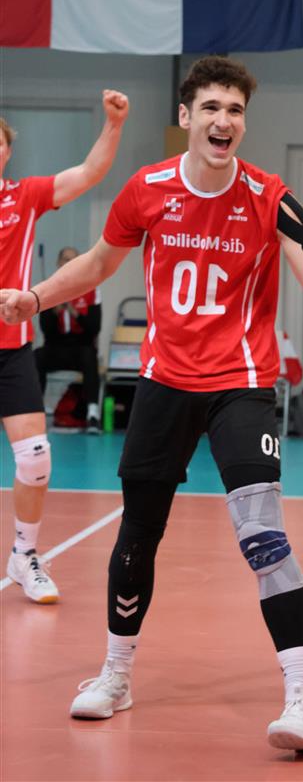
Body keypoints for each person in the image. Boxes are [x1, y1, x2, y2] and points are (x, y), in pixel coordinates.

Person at [0, 56, 303, 751]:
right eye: (211, 108)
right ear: (186, 117)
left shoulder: (271, 197)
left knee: (263, 536)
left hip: (240, 384)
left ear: (244, 122)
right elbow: (98, 263)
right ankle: (115, 674)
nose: (224, 121)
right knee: (138, 533)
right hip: (163, 383)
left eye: (235, 110)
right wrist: (34, 298)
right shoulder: (148, 188)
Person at [0, 94, 129, 604]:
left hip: (11, 351)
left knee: (35, 458)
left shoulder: (25, 196)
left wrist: (114, 124)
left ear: (7, 152)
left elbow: (90, 173)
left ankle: (24, 555)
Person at [34, 247, 102, 433]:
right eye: (65, 259)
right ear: (58, 263)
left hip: (80, 347)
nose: (69, 263)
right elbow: (45, 330)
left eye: (73, 259)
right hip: (56, 347)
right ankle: (35, 412)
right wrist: (54, 313)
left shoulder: (91, 288)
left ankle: (92, 414)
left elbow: (94, 328)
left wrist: (74, 313)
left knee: (90, 356)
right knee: (37, 356)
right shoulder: (48, 288)